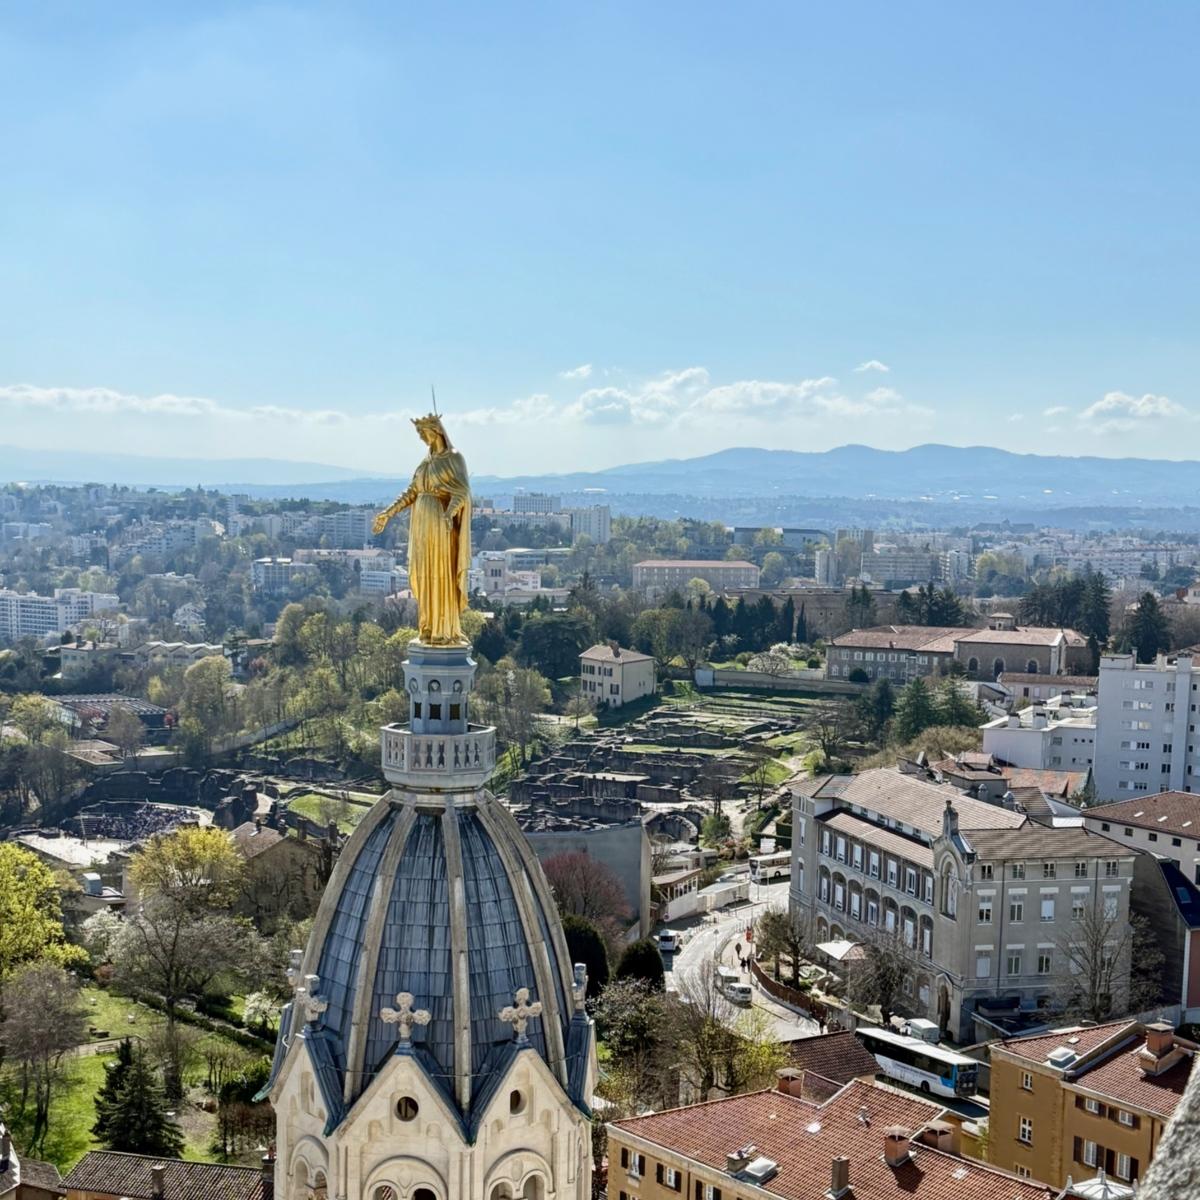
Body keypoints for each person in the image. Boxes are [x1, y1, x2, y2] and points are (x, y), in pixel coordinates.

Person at [373, 413, 471, 645]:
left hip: (439, 522)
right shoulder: (425, 463)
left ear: (436, 430)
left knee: (440, 572)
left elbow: (462, 491)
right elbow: (411, 493)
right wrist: (388, 513)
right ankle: (427, 626)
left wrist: (449, 513)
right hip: (421, 525)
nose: (421, 438)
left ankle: (443, 628)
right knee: (424, 573)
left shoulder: (454, 458)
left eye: (423, 433)